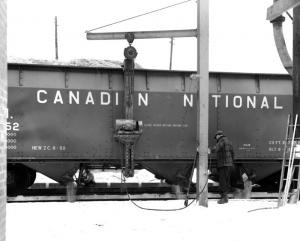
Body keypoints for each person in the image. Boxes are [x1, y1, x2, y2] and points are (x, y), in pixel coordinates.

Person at [212, 130, 235, 204]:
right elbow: (233, 153)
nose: (216, 139)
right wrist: (231, 162)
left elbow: (216, 148)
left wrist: (209, 150)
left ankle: (224, 198)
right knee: (226, 181)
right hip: (229, 164)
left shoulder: (222, 141)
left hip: (223, 164)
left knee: (223, 182)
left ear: (218, 135)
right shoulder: (229, 141)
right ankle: (225, 196)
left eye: (216, 137)